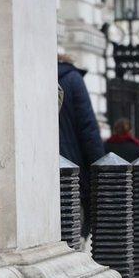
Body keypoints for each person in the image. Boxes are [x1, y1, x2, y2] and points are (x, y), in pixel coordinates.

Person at [58, 56, 104, 236]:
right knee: (74, 226)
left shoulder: (31, 76)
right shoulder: (73, 79)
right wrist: (99, 169)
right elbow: (88, 130)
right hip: (72, 165)